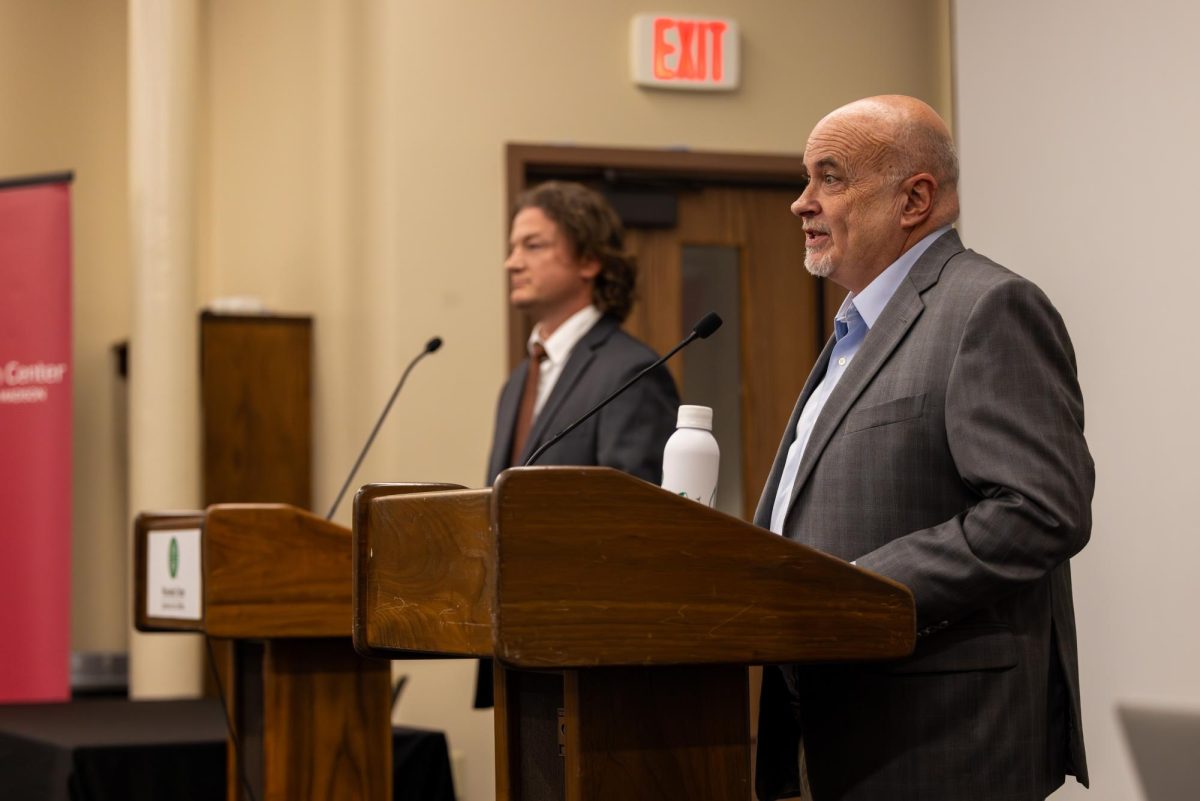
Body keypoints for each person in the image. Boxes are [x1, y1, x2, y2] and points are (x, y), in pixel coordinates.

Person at [754, 96, 1094, 801]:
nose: (801, 203)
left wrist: (857, 592)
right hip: (844, 727)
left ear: (914, 199)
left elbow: (1040, 510)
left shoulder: (987, 307)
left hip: (944, 739)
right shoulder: (856, 329)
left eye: (831, 177)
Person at [475, 180, 679, 707]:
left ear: (589, 260)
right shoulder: (520, 378)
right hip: (518, 646)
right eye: (512, 246)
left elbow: (634, 526)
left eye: (533, 245)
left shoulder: (630, 370)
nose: (511, 263)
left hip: (588, 658)